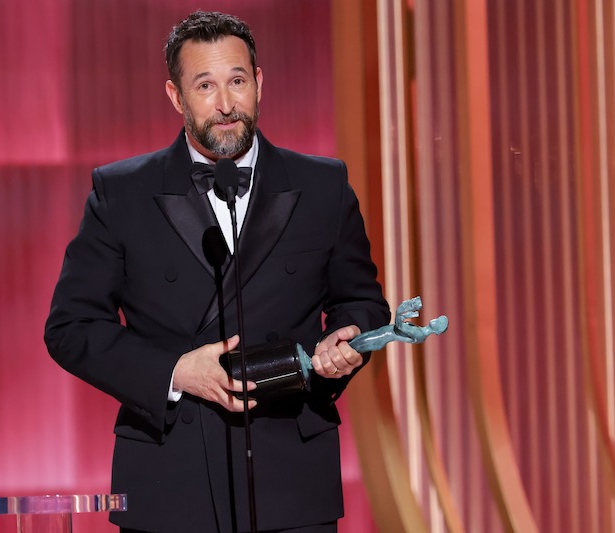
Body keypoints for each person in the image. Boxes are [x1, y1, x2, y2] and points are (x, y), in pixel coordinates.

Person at [44, 11, 389, 533]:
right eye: (205, 86)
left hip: (291, 478)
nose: (226, 104)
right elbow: (70, 329)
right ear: (175, 96)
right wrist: (177, 372)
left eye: (237, 81)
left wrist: (344, 344)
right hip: (169, 479)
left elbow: (361, 304)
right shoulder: (121, 194)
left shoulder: (324, 186)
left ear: (260, 83)